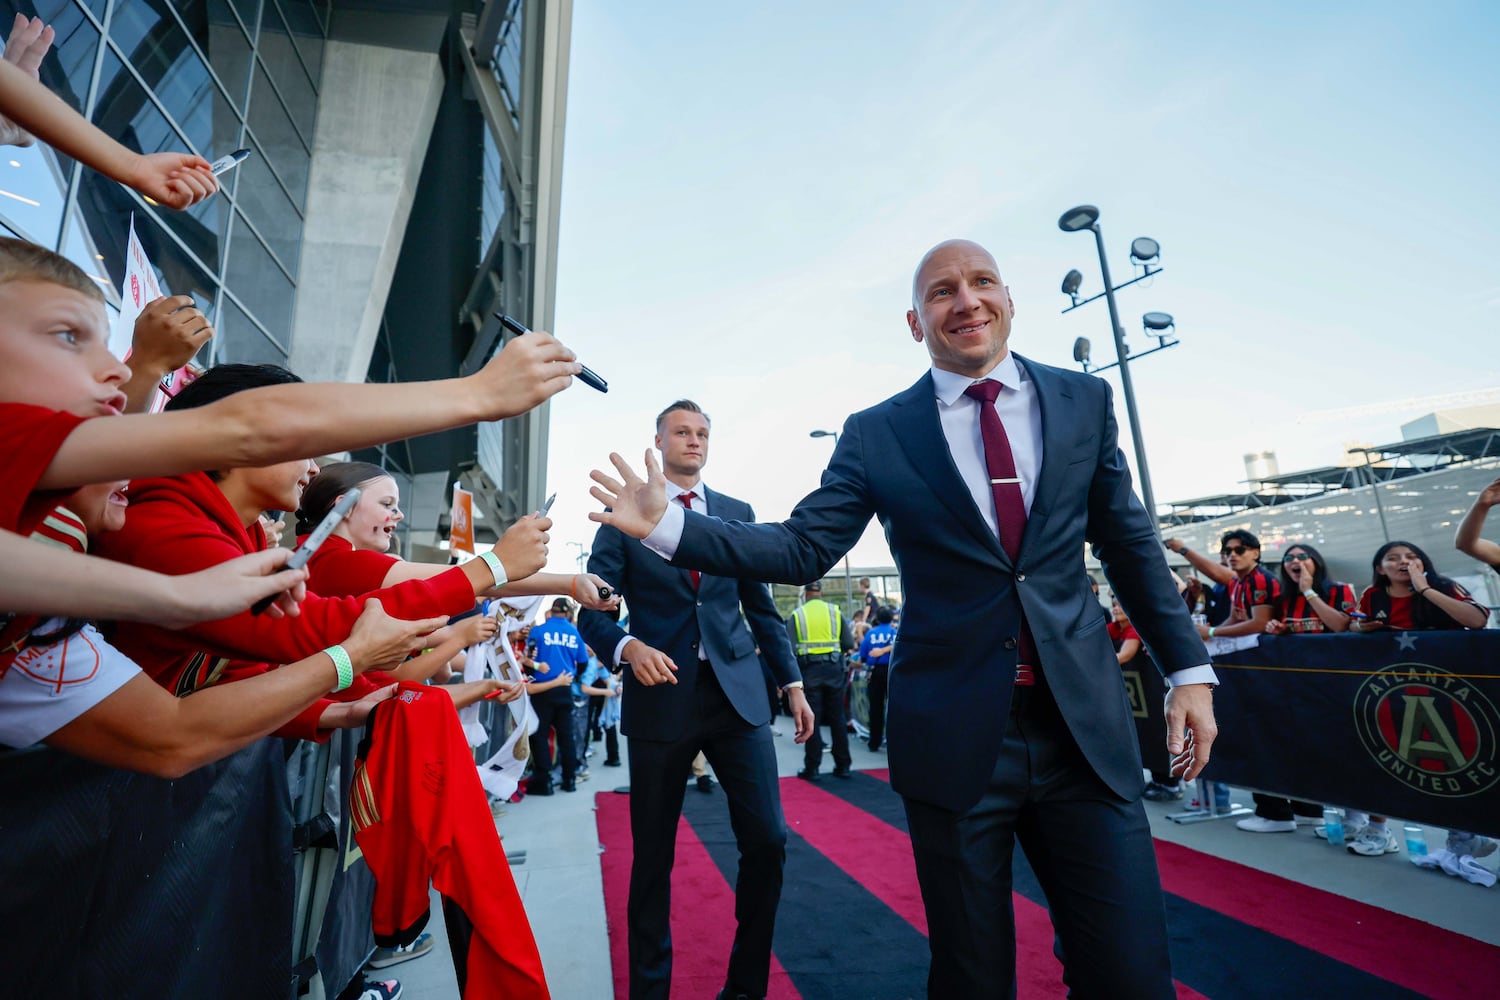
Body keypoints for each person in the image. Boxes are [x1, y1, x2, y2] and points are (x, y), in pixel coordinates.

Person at [588, 240, 1217, 999]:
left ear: (1009, 300)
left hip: (1083, 732)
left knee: (1128, 972)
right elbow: (802, 546)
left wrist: (1188, 669)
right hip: (955, 738)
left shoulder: (1083, 401)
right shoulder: (878, 432)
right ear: (917, 324)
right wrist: (667, 529)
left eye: (983, 283)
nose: (967, 301)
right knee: (971, 976)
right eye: (942, 292)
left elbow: (1129, 543)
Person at [576, 398, 812, 1000]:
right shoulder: (623, 516)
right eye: (681, 431)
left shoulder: (736, 513)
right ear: (659, 440)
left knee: (769, 840)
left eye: (702, 432)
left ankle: (745, 987)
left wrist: (792, 683)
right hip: (662, 698)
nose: (694, 440)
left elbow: (761, 608)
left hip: (739, 699)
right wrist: (628, 647)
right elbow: (593, 613)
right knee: (652, 860)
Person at [1234, 543, 1354, 834]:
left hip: (1334, 686)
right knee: (1299, 748)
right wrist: (1280, 630)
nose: (1295, 561)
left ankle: (1355, 821)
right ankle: (1308, 809)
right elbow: (1287, 629)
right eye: (1289, 558)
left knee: (1338, 753)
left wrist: (1310, 591)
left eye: (1302, 556)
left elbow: (1341, 626)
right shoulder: (1285, 599)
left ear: (1316, 561)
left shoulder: (1339, 591)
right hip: (1296, 688)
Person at [789, 579, 856, 779]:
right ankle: (843, 765)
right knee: (838, 718)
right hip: (834, 670)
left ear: (806, 593)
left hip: (809, 671)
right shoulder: (835, 611)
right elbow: (848, 643)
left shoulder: (797, 614)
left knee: (811, 719)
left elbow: (790, 649)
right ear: (821, 593)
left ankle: (813, 767)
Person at [1166, 529, 1278, 640]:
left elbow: (1260, 623)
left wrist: (1212, 631)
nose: (1232, 555)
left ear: (1255, 553)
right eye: (1228, 551)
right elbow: (1233, 618)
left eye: (1239, 550)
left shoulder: (1259, 579)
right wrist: (1210, 633)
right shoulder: (1236, 581)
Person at [526, 597, 588, 794]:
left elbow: (529, 657)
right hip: (564, 688)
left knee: (539, 735)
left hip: (542, 689)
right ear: (568, 613)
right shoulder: (574, 632)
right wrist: (572, 676)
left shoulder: (539, 630)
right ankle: (569, 779)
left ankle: (544, 782)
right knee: (566, 737)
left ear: (552, 611)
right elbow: (583, 662)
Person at [858, 604, 897, 751]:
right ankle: (895, 741)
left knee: (875, 708)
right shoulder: (896, 633)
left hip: (875, 673)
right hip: (893, 672)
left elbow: (863, 655)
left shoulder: (871, 633)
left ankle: (874, 741)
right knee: (894, 707)